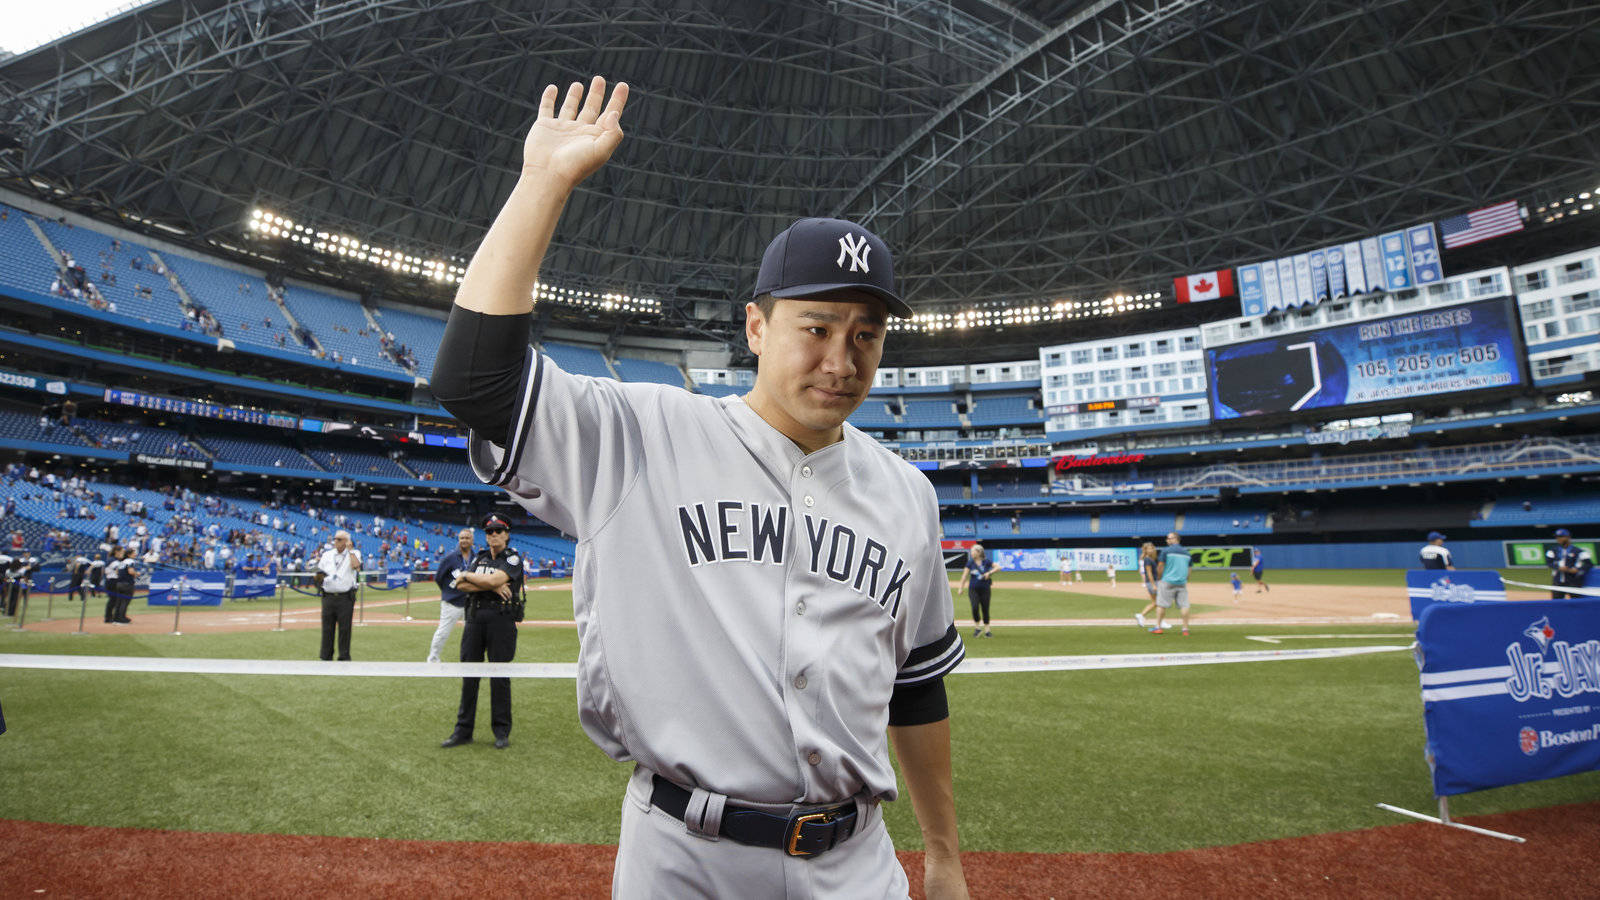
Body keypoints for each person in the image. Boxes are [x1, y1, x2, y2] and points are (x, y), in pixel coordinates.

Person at [429, 76, 967, 898]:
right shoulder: (640, 435)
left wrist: (944, 853)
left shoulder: (907, 495)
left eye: (867, 334)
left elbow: (917, 689)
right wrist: (542, 181)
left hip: (859, 864)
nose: (842, 359)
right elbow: (475, 382)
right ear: (756, 327)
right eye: (816, 328)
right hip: (683, 857)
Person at [440, 514, 525, 749]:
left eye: (498, 531)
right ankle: (463, 730)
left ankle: (501, 731)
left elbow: (493, 578)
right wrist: (489, 583)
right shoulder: (480, 557)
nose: (494, 535)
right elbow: (461, 585)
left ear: (507, 534)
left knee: (499, 677)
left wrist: (471, 576)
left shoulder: (513, 558)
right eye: (489, 532)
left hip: (501, 621)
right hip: (475, 620)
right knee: (469, 676)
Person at [428, 528, 474, 663]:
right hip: (452, 603)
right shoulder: (450, 557)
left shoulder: (476, 558)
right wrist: (449, 592)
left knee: (471, 634)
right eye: (462, 538)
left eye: (467, 538)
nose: (464, 540)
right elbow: (439, 578)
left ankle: (469, 659)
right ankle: (433, 659)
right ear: (458, 540)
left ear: (472, 540)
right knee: (443, 632)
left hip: (471, 602)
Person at [315, 530, 361, 661]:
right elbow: (319, 572)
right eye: (335, 539)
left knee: (345, 628)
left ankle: (344, 656)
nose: (336, 541)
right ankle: (325, 655)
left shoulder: (354, 554)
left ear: (347, 541)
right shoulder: (327, 555)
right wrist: (319, 578)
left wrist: (350, 551)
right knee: (327, 628)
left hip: (345, 597)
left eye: (339, 539)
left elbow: (357, 567)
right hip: (328, 595)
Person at [1152, 532, 1191, 636]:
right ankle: (1185, 629)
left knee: (1161, 605)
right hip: (1182, 583)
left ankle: (1158, 627)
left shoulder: (1166, 551)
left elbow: (1160, 566)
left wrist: (1159, 579)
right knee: (1184, 606)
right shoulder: (1187, 553)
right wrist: (1185, 579)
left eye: (1169, 538)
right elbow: (1189, 570)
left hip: (1167, 581)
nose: (1167, 540)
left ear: (1175, 539)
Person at [957, 544, 999, 638]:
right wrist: (961, 588)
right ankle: (977, 628)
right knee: (975, 607)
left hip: (985, 589)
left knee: (985, 609)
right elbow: (964, 576)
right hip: (973, 589)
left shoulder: (986, 561)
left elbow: (998, 567)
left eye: (973, 551)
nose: (971, 553)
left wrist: (989, 573)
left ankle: (987, 630)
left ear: (979, 552)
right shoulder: (970, 563)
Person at [1547, 528, 1593, 599]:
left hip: (1574, 581)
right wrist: (1558, 568)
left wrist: (1577, 570)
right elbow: (1549, 563)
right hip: (1558, 581)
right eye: (1557, 537)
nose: (1558, 539)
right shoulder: (1552, 551)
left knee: (1577, 603)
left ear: (1568, 537)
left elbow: (1589, 564)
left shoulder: (1579, 551)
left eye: (1561, 537)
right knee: (1556, 603)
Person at [1133, 542, 1159, 629]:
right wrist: (1153, 585)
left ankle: (1141, 615)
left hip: (1153, 582)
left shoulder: (1151, 559)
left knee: (1156, 603)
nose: (1151, 550)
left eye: (1152, 548)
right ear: (1145, 550)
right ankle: (1142, 615)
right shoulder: (1147, 559)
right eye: (1149, 548)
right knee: (1158, 603)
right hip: (1152, 583)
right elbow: (1149, 573)